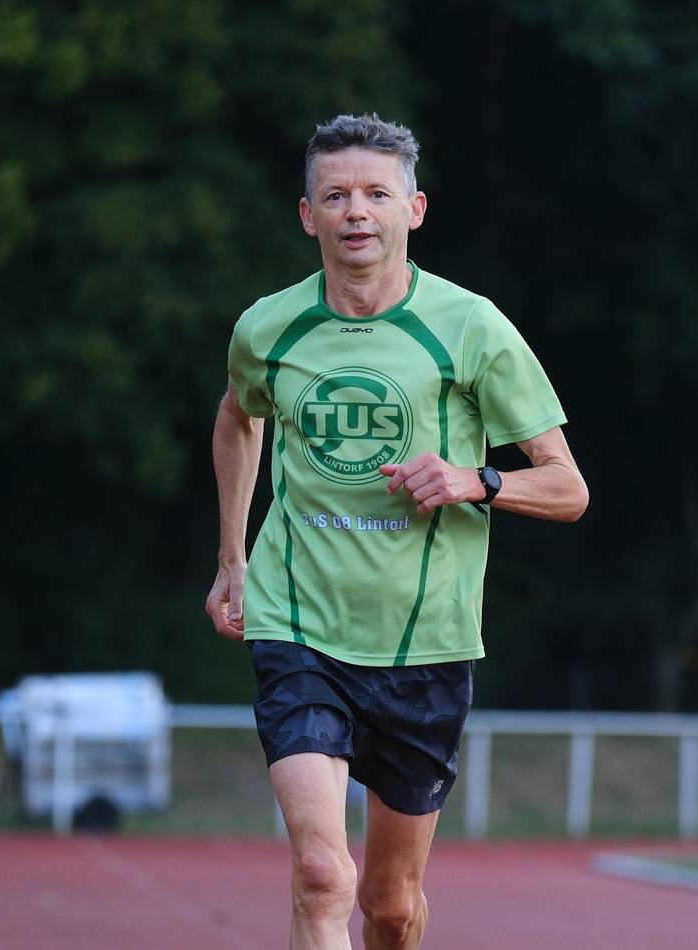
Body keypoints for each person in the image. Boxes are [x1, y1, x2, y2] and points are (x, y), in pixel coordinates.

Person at [206, 113, 588, 950]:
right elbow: (238, 419)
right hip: (297, 626)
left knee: (390, 906)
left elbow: (568, 489)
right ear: (307, 215)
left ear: (414, 208)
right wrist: (233, 556)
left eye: (376, 194)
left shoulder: (471, 327)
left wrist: (474, 479)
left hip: (425, 648)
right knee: (321, 875)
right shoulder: (267, 328)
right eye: (335, 194)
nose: (356, 212)